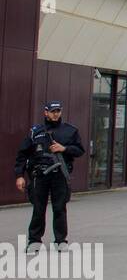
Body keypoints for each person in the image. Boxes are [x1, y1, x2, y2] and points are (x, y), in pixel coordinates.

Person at [15, 100, 84, 253]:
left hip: (59, 175)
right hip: (39, 175)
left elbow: (80, 150)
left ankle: (60, 241)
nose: (55, 114)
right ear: (45, 112)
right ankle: (34, 241)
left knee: (60, 208)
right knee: (38, 208)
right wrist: (19, 175)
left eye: (58, 111)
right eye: (52, 111)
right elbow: (22, 154)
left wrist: (64, 148)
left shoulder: (70, 131)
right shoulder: (35, 131)